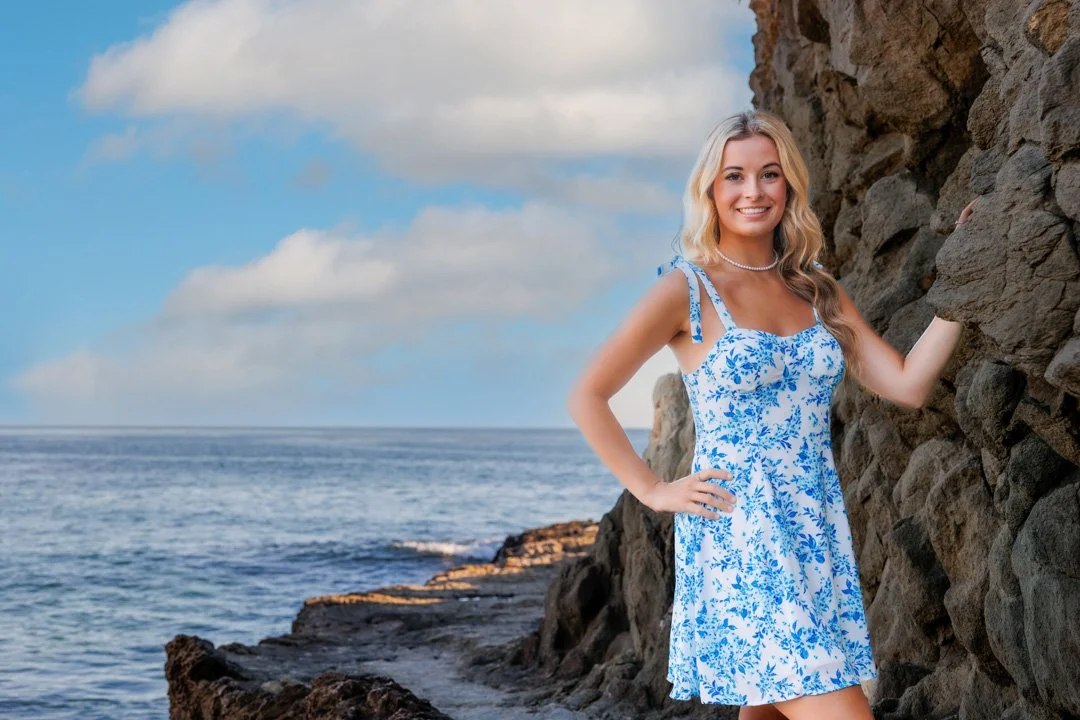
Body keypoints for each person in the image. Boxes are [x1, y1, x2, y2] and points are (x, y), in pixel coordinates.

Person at [566, 109, 976, 720]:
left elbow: (907, 384)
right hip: (742, 536)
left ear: (789, 186)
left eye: (769, 174)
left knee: (769, 709)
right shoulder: (687, 289)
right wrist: (652, 490)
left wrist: (968, 277)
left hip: (815, 530)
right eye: (734, 176)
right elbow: (587, 395)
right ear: (711, 189)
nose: (752, 191)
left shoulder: (818, 290)